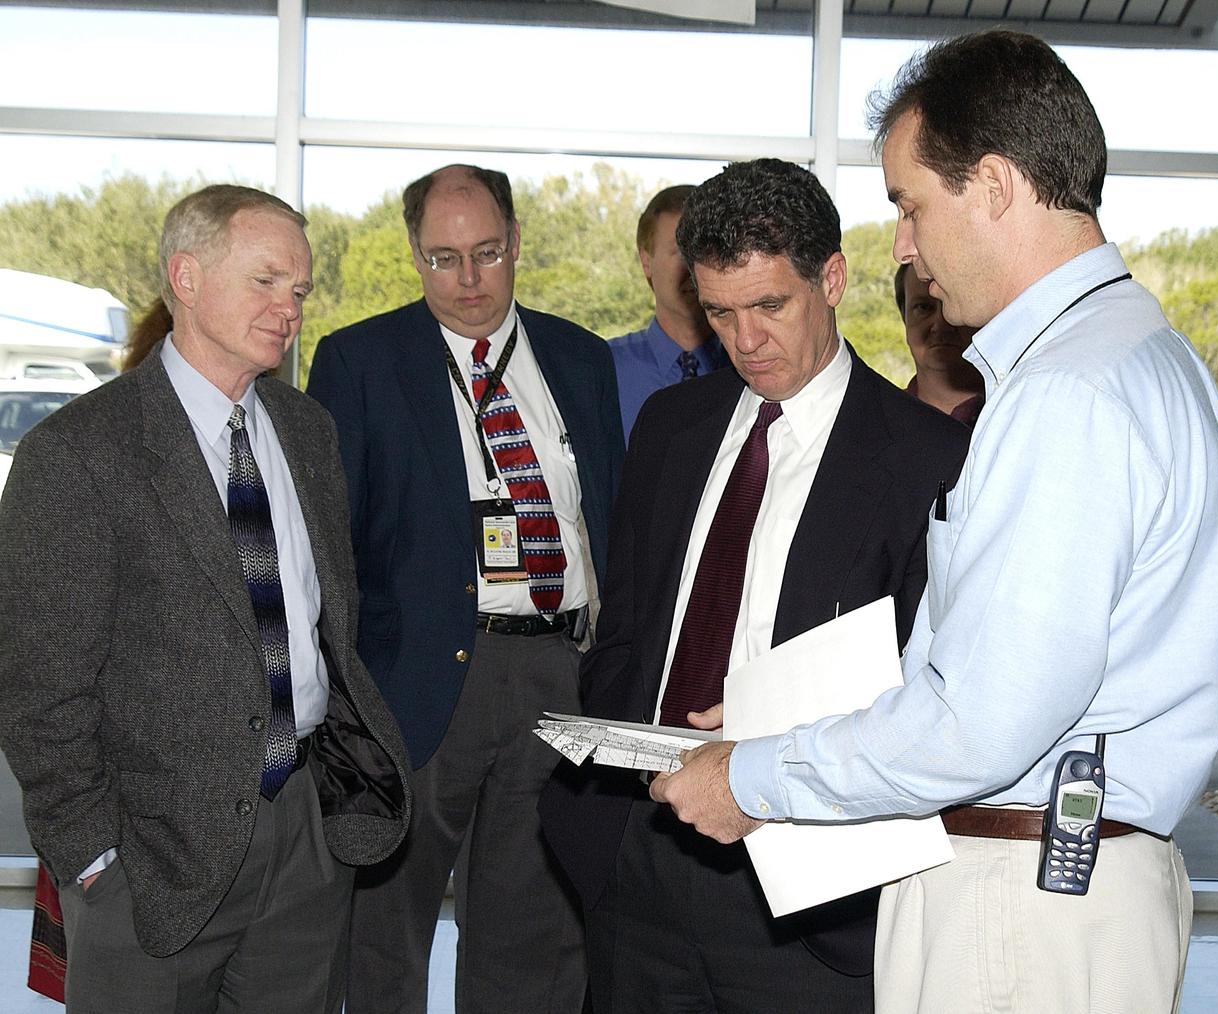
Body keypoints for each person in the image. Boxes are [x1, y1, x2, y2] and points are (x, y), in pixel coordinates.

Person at [653, 31, 1218, 1014]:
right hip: (1061, 886)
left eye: (910, 203)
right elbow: (1004, 672)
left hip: (1018, 904)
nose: (904, 246)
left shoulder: (1067, 393)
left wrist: (754, 775)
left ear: (997, 186)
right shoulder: (1142, 354)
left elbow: (980, 722)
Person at [539, 157, 969, 1013]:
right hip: (641, 849)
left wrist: (772, 737)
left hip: (808, 881)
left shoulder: (926, 456)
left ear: (833, 279)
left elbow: (933, 692)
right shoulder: (670, 427)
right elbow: (626, 627)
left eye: (771, 305)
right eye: (721, 312)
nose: (746, 340)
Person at [0, 183, 412, 1013]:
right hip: (148, 854)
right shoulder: (77, 453)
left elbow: (330, 625)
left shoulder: (306, 431)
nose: (289, 308)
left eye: (297, 290)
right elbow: (38, 690)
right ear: (185, 278)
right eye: (265, 281)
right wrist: (93, 858)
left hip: (304, 831)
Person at [307, 163, 623, 1014]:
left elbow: (609, 516)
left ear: (517, 242)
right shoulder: (359, 362)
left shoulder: (581, 358)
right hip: (417, 682)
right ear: (414, 256)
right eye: (444, 259)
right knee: (387, 932)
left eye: (486, 252)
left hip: (559, 673)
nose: (470, 279)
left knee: (537, 933)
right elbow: (332, 554)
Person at [26, 294, 176, 1006]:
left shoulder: (272, 439)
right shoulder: (89, 449)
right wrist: (91, 849)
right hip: (124, 810)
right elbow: (43, 673)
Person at [610, 184, 729, 442]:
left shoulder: (752, 366)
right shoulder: (604, 369)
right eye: (680, 252)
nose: (694, 268)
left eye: (705, 252)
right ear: (646, 262)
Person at [895, 261, 983, 425]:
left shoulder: (1022, 412)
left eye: (954, 305)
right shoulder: (873, 422)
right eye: (923, 307)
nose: (940, 324)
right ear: (904, 317)